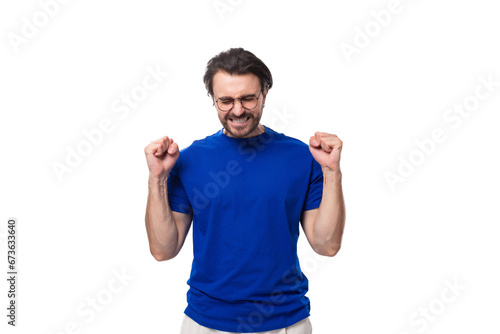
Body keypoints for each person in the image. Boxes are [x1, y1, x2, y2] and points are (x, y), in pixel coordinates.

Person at [144, 48, 346, 334]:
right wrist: (157, 179)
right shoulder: (189, 160)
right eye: (225, 101)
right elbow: (163, 250)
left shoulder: (302, 158)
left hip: (286, 321)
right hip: (206, 322)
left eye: (248, 98)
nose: (237, 110)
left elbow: (327, 245)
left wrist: (332, 172)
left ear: (265, 93)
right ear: (213, 100)